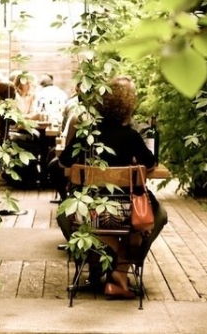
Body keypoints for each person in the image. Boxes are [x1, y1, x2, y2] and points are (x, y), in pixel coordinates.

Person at [57, 75, 168, 299]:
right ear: (128, 107)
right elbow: (151, 164)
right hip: (128, 213)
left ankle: (96, 263)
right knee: (160, 215)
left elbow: (64, 162)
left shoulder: (87, 135)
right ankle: (122, 268)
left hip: (87, 210)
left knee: (63, 214)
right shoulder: (132, 137)